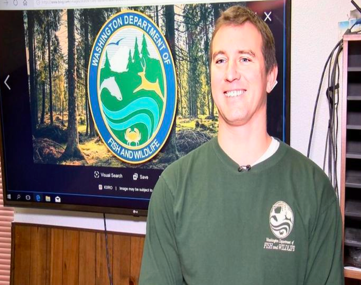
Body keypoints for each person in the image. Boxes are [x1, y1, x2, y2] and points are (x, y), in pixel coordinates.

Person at [139, 5, 344, 285]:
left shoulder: (315, 191)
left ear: (271, 75)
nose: (230, 73)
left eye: (245, 59)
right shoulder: (173, 188)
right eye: (220, 60)